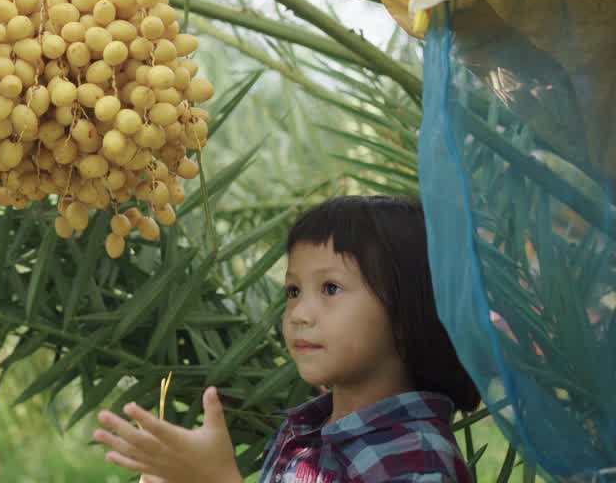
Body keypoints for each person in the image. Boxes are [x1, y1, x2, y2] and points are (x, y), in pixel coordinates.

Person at [94, 196, 481, 482]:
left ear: (408, 307)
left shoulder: (416, 463)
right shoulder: (307, 432)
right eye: (294, 291)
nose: (299, 313)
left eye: (330, 288)